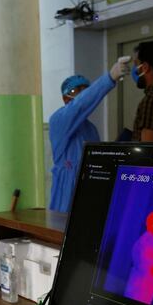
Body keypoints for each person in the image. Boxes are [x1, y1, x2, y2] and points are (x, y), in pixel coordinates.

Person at [48, 58, 130, 212]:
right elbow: (80, 105)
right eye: (76, 91)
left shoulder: (90, 129)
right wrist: (110, 77)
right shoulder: (57, 121)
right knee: (59, 230)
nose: (82, 94)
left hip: (87, 191)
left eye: (86, 89)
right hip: (65, 192)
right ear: (65, 98)